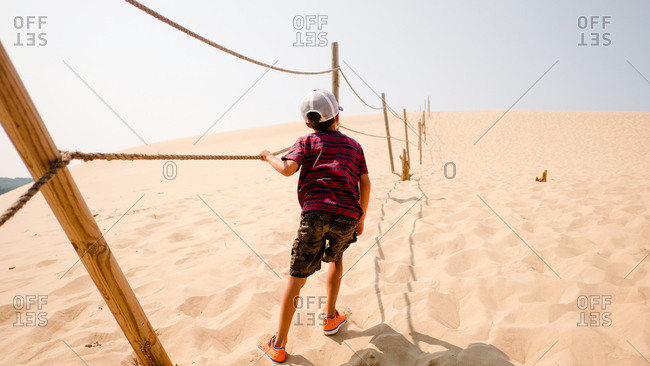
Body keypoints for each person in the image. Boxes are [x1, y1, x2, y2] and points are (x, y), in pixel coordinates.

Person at [257, 89, 371, 363]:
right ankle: (330, 317)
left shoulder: (305, 141)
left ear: (308, 123)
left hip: (315, 215)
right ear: (337, 115)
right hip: (346, 216)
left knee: (297, 278)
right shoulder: (354, 146)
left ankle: (279, 344)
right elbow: (365, 182)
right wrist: (361, 217)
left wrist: (269, 156)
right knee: (337, 257)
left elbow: (287, 169)